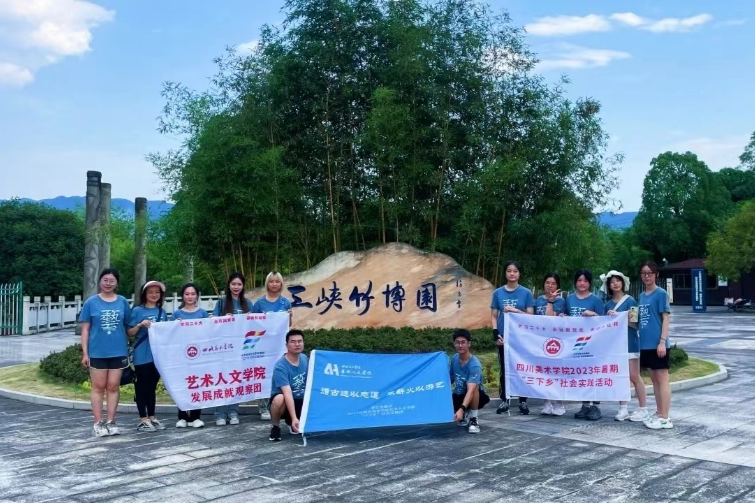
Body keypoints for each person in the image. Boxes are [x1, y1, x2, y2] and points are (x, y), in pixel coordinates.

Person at [79, 268, 131, 437]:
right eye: (105, 280)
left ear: (117, 283)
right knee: (98, 387)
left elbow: (128, 326)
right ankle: (98, 422)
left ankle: (111, 421)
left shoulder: (122, 302)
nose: (108, 283)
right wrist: (85, 353)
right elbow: (85, 329)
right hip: (97, 352)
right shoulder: (91, 302)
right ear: (100, 281)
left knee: (113, 386)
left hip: (118, 351)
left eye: (112, 281)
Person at [602, 270, 649, 423]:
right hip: (616, 346)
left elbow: (635, 325)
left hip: (630, 343)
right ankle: (623, 408)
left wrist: (622, 318)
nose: (615, 284)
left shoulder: (631, 301)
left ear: (623, 283)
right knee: (620, 377)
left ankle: (643, 408)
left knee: (634, 376)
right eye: (611, 282)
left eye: (617, 280)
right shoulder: (607, 305)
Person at [490, 261, 535, 414]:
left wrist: (515, 310)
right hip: (503, 336)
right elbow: (494, 315)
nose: (512, 273)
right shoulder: (498, 293)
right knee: (505, 369)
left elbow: (530, 316)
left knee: (523, 368)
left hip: (521, 337)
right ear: (505, 273)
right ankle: (504, 400)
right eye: (509, 271)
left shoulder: (526, 293)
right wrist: (495, 332)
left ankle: (523, 401)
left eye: (515, 271)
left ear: (519, 273)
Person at [212, 272, 254, 426]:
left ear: (243, 286)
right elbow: (212, 323)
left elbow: (256, 324)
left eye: (239, 284)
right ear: (229, 285)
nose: (236, 287)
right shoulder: (221, 303)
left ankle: (233, 411)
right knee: (222, 380)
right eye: (233, 284)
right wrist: (222, 319)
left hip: (241, 348)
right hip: (224, 348)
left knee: (236, 379)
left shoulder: (247, 303)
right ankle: (220, 413)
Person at [128, 280, 169, 432]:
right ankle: (143, 419)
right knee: (141, 387)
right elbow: (130, 333)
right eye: (150, 292)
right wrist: (139, 325)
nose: (154, 295)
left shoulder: (162, 312)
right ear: (144, 294)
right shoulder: (137, 311)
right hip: (142, 355)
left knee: (152, 387)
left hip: (157, 356)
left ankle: (152, 417)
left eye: (157, 292)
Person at [565, 269, 605, 420]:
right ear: (575, 282)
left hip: (592, 344)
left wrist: (594, 315)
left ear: (590, 283)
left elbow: (604, 322)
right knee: (581, 374)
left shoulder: (596, 300)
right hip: (575, 344)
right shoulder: (569, 299)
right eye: (579, 280)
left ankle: (596, 407)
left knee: (593, 374)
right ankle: (585, 405)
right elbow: (566, 318)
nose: (582, 283)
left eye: (585, 281)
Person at [253, 271, 293, 421]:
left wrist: (289, 316)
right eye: (271, 281)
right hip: (263, 346)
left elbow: (288, 325)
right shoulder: (259, 303)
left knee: (278, 374)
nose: (274, 284)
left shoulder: (285, 303)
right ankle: (263, 407)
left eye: (277, 281)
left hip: (280, 347)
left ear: (281, 284)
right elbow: (251, 324)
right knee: (262, 373)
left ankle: (279, 405)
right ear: (267, 284)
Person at [638, 261, 673, 429]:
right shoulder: (642, 295)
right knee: (654, 379)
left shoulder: (661, 293)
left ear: (656, 275)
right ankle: (659, 413)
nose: (647, 276)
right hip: (645, 344)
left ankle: (665, 417)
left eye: (650, 273)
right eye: (644, 273)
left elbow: (666, 318)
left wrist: (662, 342)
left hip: (658, 344)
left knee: (662, 379)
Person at [171, 282, 209, 428]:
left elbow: (208, 333)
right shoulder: (177, 314)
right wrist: (175, 325)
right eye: (187, 294)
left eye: (193, 294)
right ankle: (182, 416)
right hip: (181, 356)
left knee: (197, 384)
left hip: (199, 355)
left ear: (197, 296)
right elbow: (169, 334)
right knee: (182, 385)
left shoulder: (203, 313)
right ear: (183, 296)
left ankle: (195, 417)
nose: (190, 296)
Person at [534, 273, 566, 416]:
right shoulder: (538, 300)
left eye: (553, 283)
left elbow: (550, 319)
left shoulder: (560, 301)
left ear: (557, 286)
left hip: (555, 341)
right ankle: (546, 403)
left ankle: (559, 403)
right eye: (547, 282)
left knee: (556, 372)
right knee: (543, 372)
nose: (550, 286)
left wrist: (551, 301)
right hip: (540, 340)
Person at [268, 329, 309, 441]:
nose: (297, 344)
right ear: (287, 345)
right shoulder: (280, 367)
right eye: (293, 342)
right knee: (279, 398)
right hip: (286, 402)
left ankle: (292, 422)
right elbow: (287, 393)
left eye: (300, 341)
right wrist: (294, 417)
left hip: (301, 400)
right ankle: (275, 427)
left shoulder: (305, 358)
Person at [450, 329, 490, 434]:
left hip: (475, 396)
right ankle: (463, 413)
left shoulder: (474, 365)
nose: (460, 345)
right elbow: (450, 379)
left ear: (469, 344)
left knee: (474, 387)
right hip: (458, 395)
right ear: (454, 344)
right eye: (457, 342)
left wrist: (461, 408)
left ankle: (473, 419)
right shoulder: (454, 358)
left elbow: (471, 390)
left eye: (463, 342)